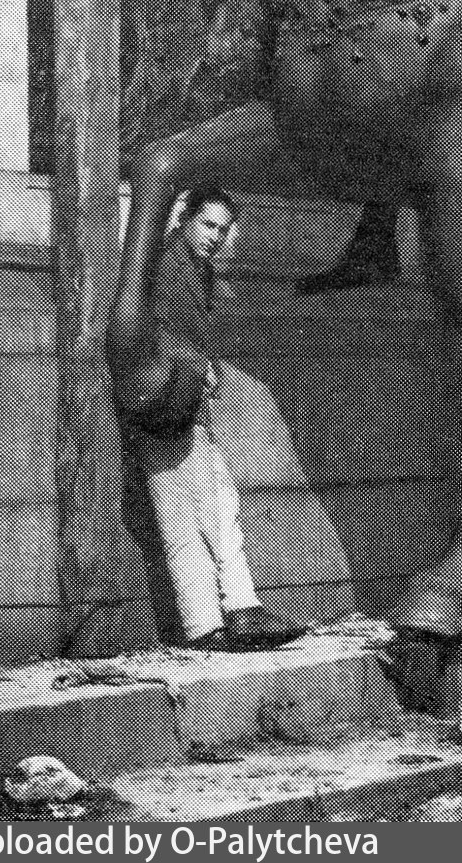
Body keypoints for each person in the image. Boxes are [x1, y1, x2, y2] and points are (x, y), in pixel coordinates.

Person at [132, 185, 308, 651]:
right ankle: (238, 610)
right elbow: (158, 329)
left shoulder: (184, 266)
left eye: (224, 228)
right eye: (208, 224)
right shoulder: (174, 268)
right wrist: (199, 369)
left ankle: (207, 621)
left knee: (184, 516)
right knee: (213, 507)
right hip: (171, 395)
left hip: (169, 397)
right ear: (185, 219)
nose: (215, 236)